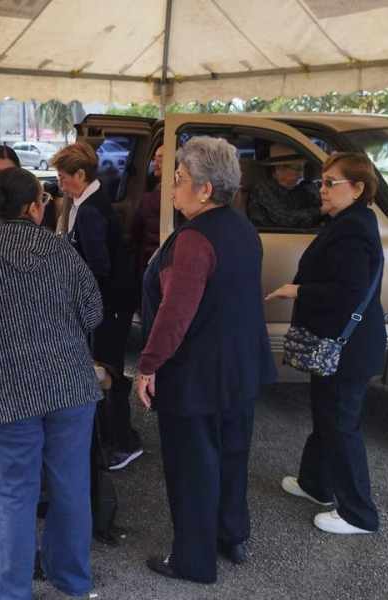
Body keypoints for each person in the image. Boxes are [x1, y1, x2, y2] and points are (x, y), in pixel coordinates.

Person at [0, 168, 103, 600]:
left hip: (5, 389)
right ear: (33, 207)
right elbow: (93, 312)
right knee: (71, 487)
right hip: (69, 386)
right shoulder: (61, 251)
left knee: (15, 495)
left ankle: (13, 590)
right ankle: (72, 578)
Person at [137, 137, 276, 585]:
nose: (172, 187)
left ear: (205, 189)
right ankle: (231, 535)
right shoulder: (242, 228)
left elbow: (175, 313)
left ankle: (193, 561)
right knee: (232, 455)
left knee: (192, 468)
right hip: (240, 366)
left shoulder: (196, 239)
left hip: (196, 373)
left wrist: (148, 365)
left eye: (179, 179)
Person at [266, 152, 386, 536]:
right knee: (326, 415)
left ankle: (359, 514)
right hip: (337, 344)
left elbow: (347, 292)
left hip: (348, 347)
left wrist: (297, 290)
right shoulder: (349, 221)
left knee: (341, 424)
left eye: (331, 183)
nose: (322, 189)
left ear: (358, 188)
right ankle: (315, 484)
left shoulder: (354, 229)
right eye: (322, 181)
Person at [52, 142, 142, 471]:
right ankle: (114, 435)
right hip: (108, 301)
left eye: (63, 177)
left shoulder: (90, 210)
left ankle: (123, 442)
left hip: (110, 304)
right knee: (105, 368)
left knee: (108, 371)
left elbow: (98, 267)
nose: (60, 184)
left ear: (80, 175)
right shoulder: (85, 202)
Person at [247, 143, 322, 229]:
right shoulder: (262, 190)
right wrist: (321, 210)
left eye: (303, 168)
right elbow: (286, 219)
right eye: (298, 168)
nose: (301, 175)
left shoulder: (302, 189)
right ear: (279, 169)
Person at [130, 145, 164, 292]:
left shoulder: (149, 200)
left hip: (149, 262)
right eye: (155, 158)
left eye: (160, 159)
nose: (155, 163)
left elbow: (135, 232)